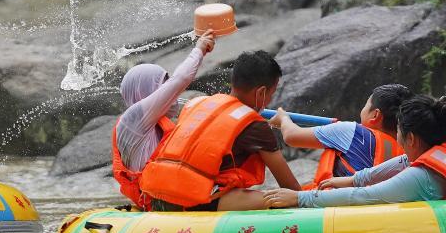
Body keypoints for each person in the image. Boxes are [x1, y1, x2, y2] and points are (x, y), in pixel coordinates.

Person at [140, 50, 300, 211]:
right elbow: (290, 187)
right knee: (285, 199)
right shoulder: (256, 126)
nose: (270, 100)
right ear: (261, 92)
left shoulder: (197, 103)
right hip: (194, 200)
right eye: (271, 94)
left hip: (156, 195)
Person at [264, 95, 446, 208]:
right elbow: (404, 161)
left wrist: (299, 198)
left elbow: (366, 195)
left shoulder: (421, 176)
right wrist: (353, 180)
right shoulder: (434, 150)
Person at [112, 29, 216, 210]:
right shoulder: (132, 121)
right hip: (159, 204)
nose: (170, 94)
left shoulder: (157, 121)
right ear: (144, 90)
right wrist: (199, 49)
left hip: (175, 196)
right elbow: (181, 79)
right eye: (163, 85)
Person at [268, 84, 410, 187]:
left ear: (375, 115)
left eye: (366, 105)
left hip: (339, 208)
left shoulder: (351, 131)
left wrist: (283, 118)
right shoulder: (409, 147)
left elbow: (292, 136)